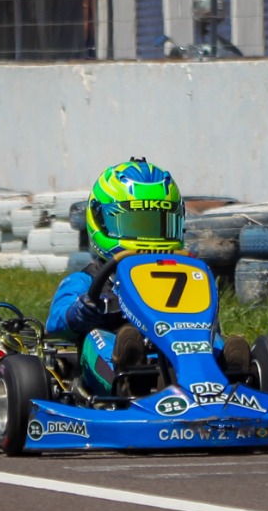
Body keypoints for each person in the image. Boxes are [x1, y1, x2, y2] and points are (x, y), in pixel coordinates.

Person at [46, 157, 248, 394]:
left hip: (178, 347)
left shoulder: (184, 272)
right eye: (135, 224)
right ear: (101, 221)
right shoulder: (87, 280)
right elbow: (54, 324)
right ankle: (128, 379)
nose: (148, 237)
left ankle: (232, 372)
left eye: (157, 225)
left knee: (212, 342)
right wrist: (76, 313)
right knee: (101, 339)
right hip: (115, 348)